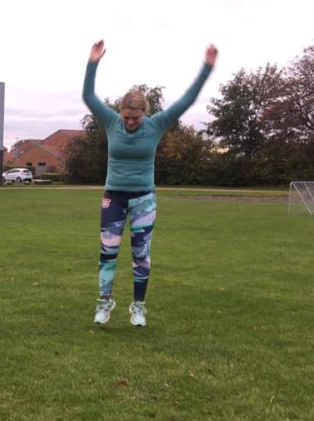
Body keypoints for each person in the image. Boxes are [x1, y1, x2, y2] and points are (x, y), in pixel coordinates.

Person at [83, 40, 218, 327]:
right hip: (113, 198)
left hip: (144, 198)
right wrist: (92, 62)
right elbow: (88, 96)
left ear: (145, 113)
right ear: (120, 111)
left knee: (140, 254)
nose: (130, 123)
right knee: (108, 251)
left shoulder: (155, 125)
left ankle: (139, 306)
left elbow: (186, 101)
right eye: (127, 117)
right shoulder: (110, 121)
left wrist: (206, 68)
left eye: (136, 118)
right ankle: (104, 303)